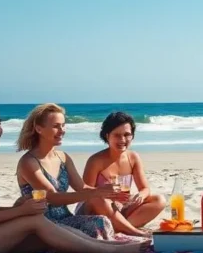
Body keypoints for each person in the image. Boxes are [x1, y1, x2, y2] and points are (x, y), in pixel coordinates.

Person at [0, 101, 150, 253]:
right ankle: (109, 252)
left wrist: (16, 209)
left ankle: (111, 246)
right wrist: (21, 211)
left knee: (52, 232)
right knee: (36, 221)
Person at [16, 103, 125, 240]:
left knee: (101, 220)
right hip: (42, 224)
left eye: (63, 125)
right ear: (39, 129)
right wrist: (96, 192)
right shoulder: (28, 162)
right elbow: (52, 198)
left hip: (65, 219)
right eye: (56, 126)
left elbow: (82, 187)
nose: (62, 130)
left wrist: (109, 193)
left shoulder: (63, 157)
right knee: (97, 225)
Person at [80, 112, 166, 237]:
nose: (122, 140)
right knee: (99, 199)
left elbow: (145, 188)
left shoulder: (133, 157)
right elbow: (85, 194)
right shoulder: (96, 160)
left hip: (121, 209)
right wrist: (105, 193)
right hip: (98, 210)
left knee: (159, 200)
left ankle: (121, 228)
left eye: (127, 135)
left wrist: (140, 196)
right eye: (117, 135)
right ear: (107, 136)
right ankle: (131, 230)